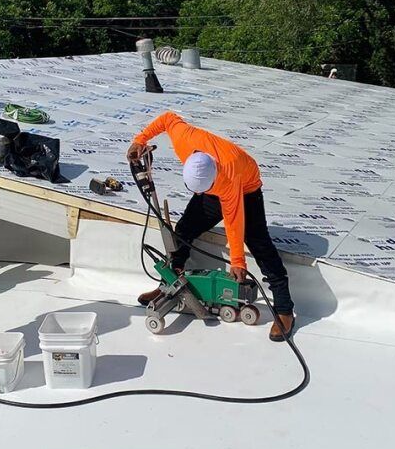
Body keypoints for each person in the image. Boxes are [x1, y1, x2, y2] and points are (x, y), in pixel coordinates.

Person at [126, 112, 296, 342]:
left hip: (246, 187)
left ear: (213, 178)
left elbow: (233, 221)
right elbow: (167, 118)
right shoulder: (185, 140)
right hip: (214, 184)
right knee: (184, 230)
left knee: (258, 243)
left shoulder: (228, 176)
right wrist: (140, 139)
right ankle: (170, 284)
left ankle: (285, 310)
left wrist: (238, 261)